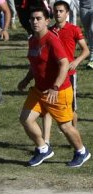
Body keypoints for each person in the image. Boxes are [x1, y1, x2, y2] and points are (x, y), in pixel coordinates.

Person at [17, 6, 90, 168]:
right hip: (38, 90)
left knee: (65, 126)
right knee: (26, 119)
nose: (35, 22)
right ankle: (43, 149)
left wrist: (55, 87)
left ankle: (81, 151)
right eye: (32, 19)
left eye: (38, 19)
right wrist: (26, 80)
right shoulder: (32, 40)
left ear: (46, 21)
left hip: (59, 91)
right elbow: (35, 64)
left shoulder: (52, 39)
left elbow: (64, 64)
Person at [42, 0, 89, 144]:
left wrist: (75, 61)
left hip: (68, 76)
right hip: (52, 76)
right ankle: (46, 142)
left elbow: (86, 50)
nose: (58, 13)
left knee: (71, 111)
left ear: (67, 13)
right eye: (55, 11)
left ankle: (74, 135)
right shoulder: (49, 31)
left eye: (61, 11)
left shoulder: (74, 29)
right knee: (47, 108)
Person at [82, 0, 93, 68]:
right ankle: (91, 57)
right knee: (88, 32)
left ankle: (92, 58)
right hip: (83, 7)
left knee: (92, 30)